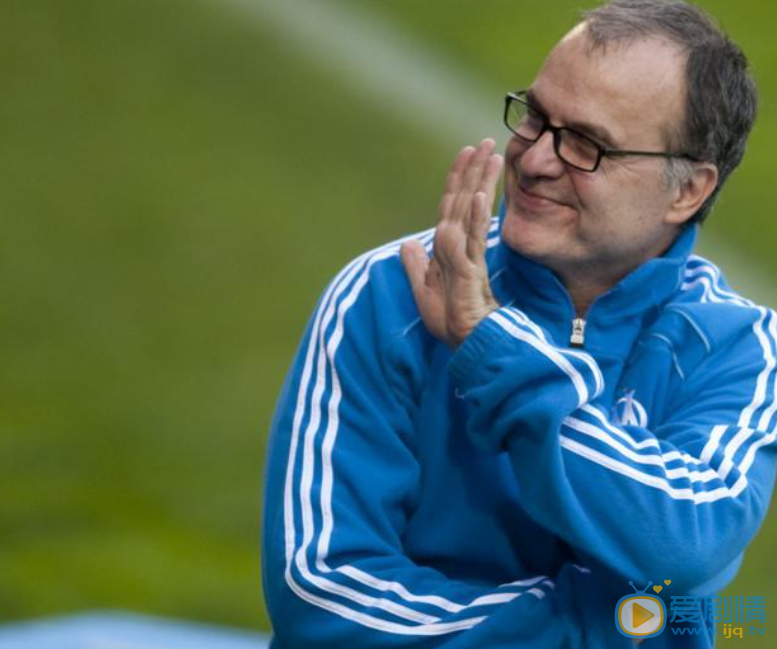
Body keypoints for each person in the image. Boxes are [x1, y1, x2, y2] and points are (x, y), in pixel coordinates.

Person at [261, 0, 773, 646]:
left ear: (687, 190)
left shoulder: (737, 350)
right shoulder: (388, 297)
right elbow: (320, 595)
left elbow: (684, 540)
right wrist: (589, 629)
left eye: (586, 145)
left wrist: (491, 346)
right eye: (535, 117)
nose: (533, 162)